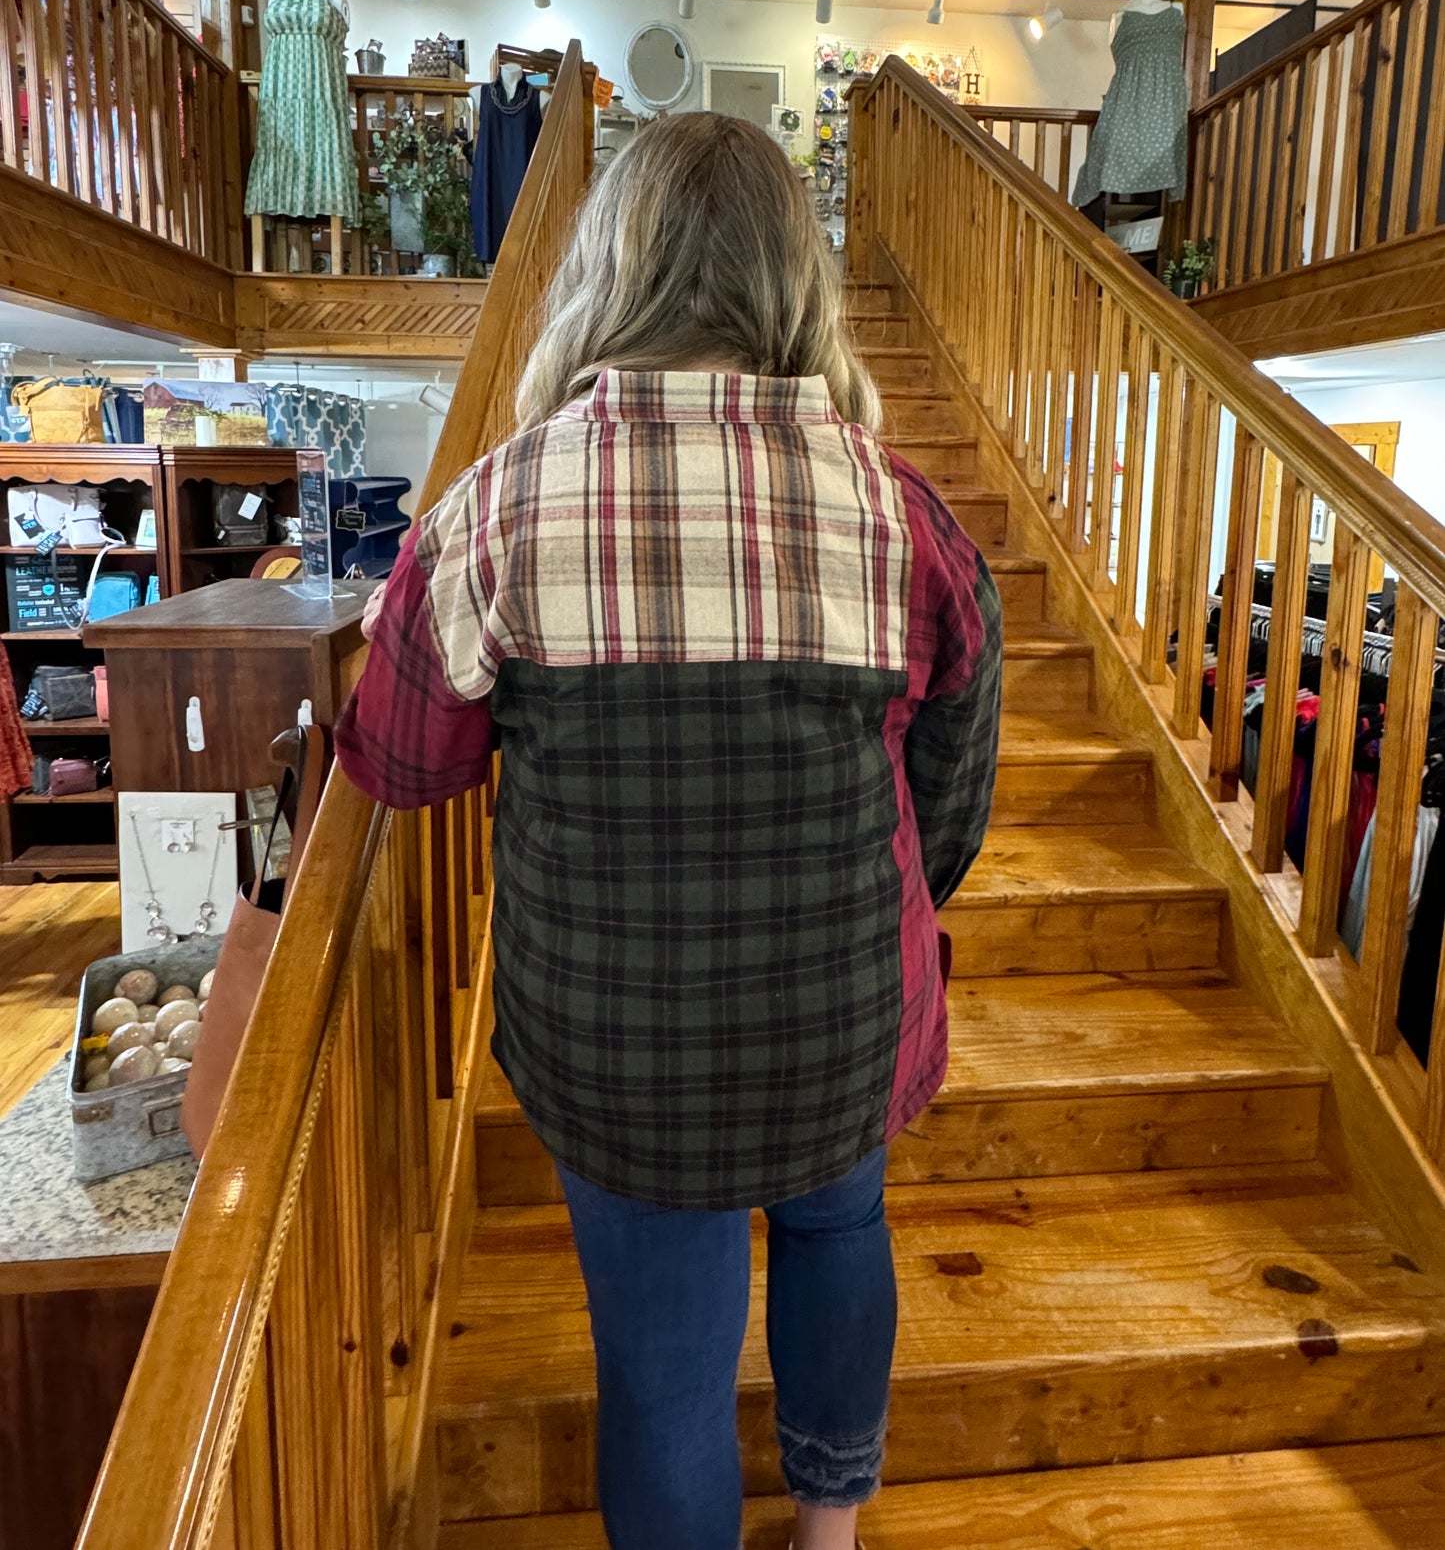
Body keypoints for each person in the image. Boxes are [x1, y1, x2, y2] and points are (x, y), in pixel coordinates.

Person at [336, 113, 1002, 1550]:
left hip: (613, 1050)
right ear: (795, 280)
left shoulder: (492, 509)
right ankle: (830, 1534)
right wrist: (886, 904)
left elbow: (397, 768)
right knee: (838, 1235)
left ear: (604, 272)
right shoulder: (901, 514)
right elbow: (950, 790)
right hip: (840, 1015)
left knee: (661, 1371)